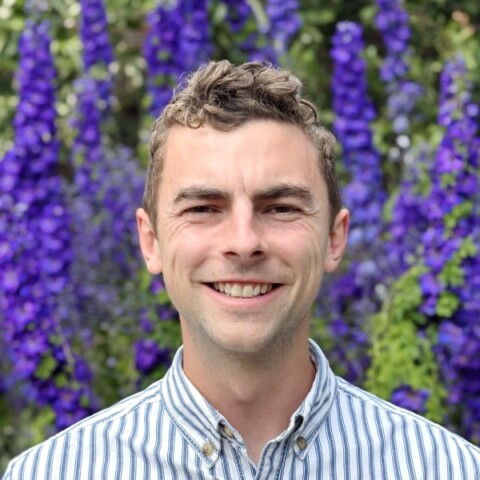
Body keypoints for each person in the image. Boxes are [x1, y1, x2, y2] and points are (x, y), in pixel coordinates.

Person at [3, 60, 480, 480]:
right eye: (204, 208)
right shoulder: (52, 473)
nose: (243, 243)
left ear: (335, 239)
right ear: (150, 241)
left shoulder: (447, 469)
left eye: (281, 208)